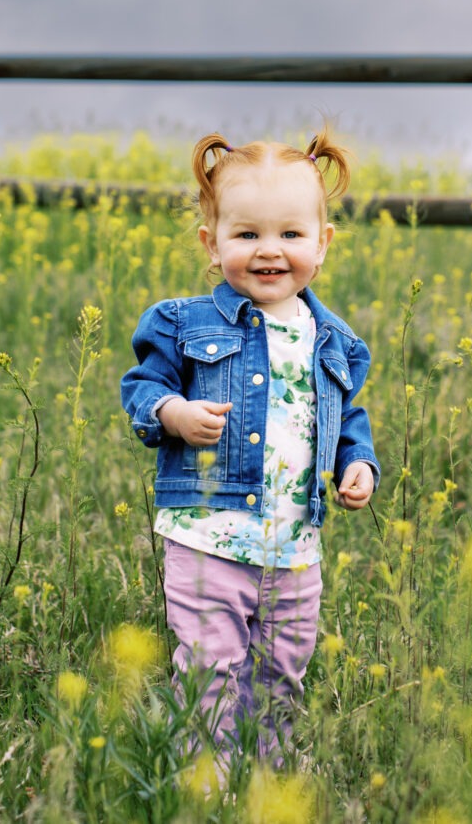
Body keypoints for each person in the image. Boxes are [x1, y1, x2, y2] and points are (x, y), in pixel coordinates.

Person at [120, 127, 379, 773]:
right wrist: (174, 413)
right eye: (247, 235)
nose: (269, 251)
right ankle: (204, 789)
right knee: (210, 672)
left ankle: (266, 793)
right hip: (207, 538)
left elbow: (347, 417)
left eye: (290, 234)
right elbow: (141, 387)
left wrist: (357, 464)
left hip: (295, 552)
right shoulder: (184, 322)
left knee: (279, 679)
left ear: (323, 242)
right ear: (212, 244)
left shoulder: (335, 341)